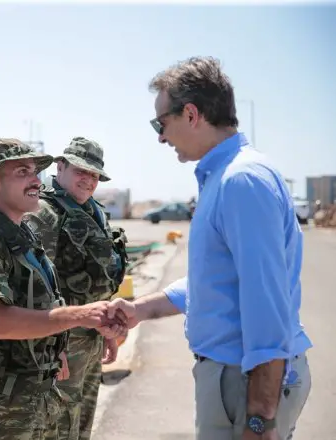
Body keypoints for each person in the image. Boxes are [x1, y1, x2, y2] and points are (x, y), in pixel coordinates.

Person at [114, 56, 312, 440]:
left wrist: (260, 417)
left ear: (190, 114)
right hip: (236, 379)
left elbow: (265, 300)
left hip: (246, 384)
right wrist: (141, 309)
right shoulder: (225, 176)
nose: (160, 136)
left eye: (161, 123)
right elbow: (220, 280)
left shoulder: (241, 181)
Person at [0, 139, 128, 440]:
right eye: (23, 172)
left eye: (35, 172)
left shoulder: (20, 235)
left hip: (29, 390)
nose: (36, 181)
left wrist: (57, 349)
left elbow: (40, 297)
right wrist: (77, 316)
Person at [23, 136, 128, 440]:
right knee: (56, 428)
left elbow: (103, 278)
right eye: (81, 171)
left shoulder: (95, 211)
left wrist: (107, 330)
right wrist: (52, 349)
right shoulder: (43, 212)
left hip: (92, 338)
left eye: (94, 175)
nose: (88, 180)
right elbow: (35, 286)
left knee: (82, 427)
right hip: (63, 344)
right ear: (61, 166)